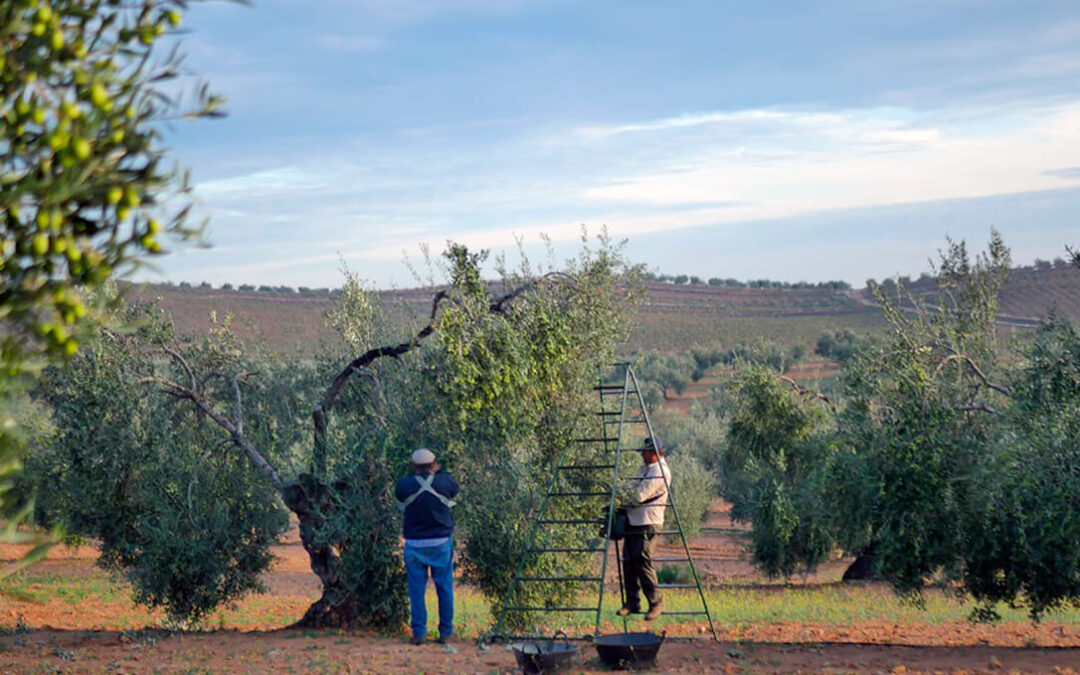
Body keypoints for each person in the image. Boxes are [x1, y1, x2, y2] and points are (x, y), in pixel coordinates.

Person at [395, 448, 460, 645]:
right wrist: (438, 471)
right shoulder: (444, 481)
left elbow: (400, 494)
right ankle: (446, 633)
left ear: (413, 466)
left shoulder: (404, 484)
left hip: (414, 544)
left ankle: (419, 633)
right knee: (444, 588)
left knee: (416, 590)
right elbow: (454, 488)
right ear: (434, 464)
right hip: (441, 543)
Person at [616, 435, 671, 621]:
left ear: (655, 453)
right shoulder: (645, 469)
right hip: (634, 521)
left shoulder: (659, 471)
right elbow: (630, 488)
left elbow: (639, 495)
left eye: (645, 451)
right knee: (628, 562)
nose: (642, 454)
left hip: (648, 522)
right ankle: (632, 602)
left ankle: (656, 603)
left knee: (643, 563)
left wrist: (620, 497)